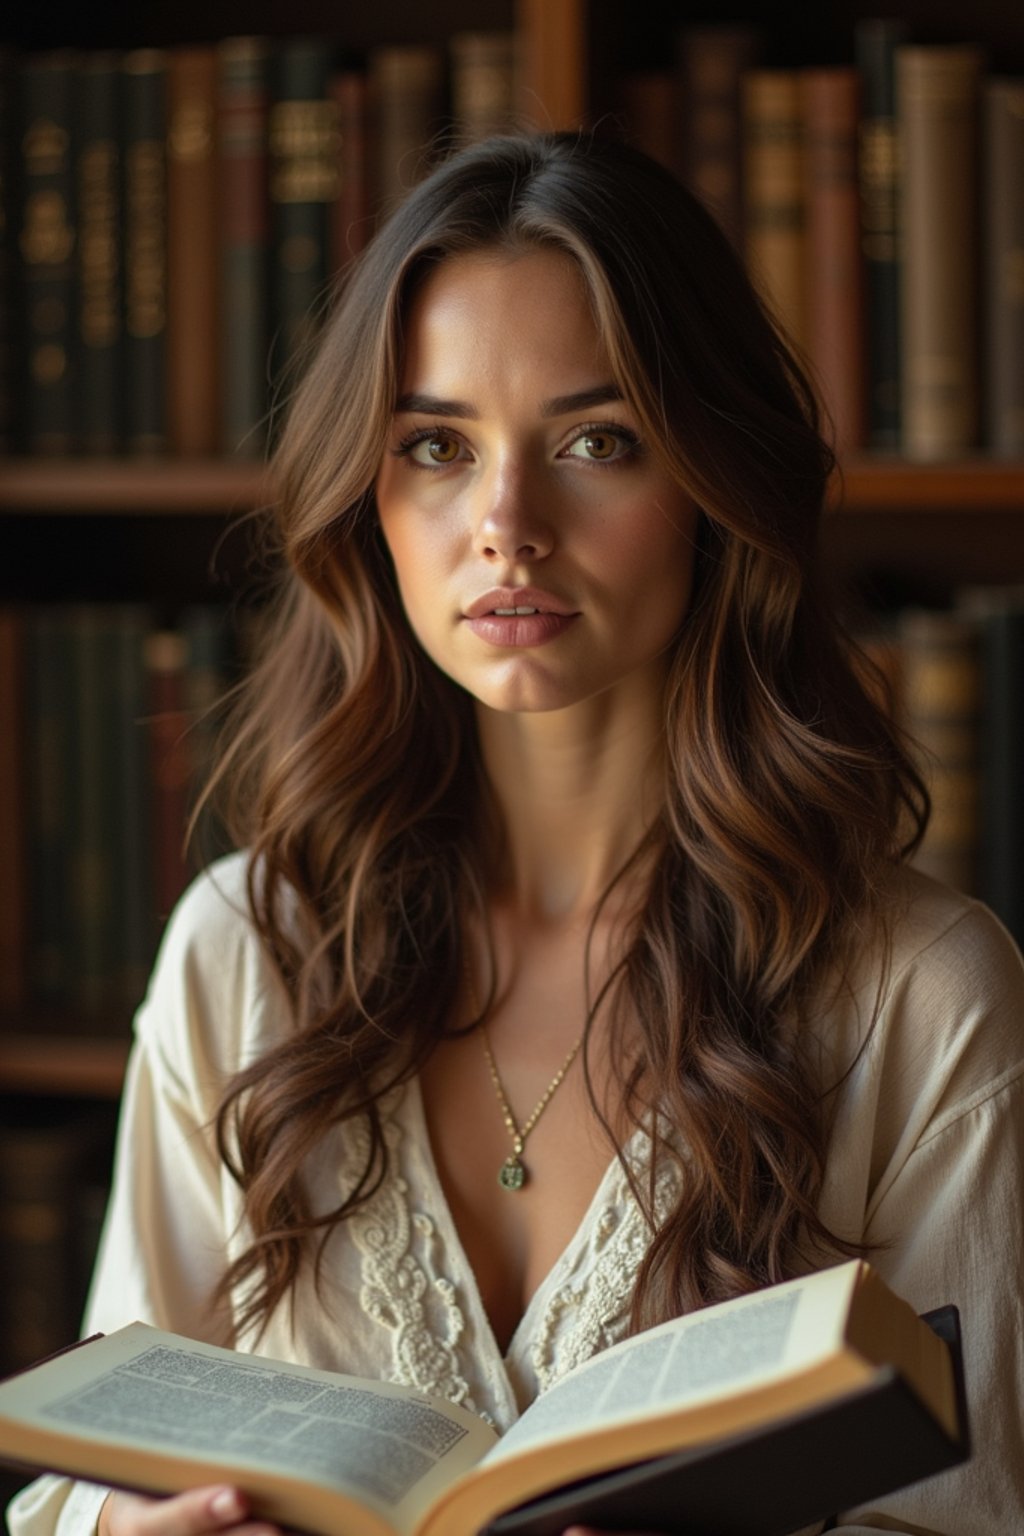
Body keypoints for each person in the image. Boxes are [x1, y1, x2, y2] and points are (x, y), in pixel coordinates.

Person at [9, 131, 1024, 1536]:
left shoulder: (918, 994)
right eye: (437, 446)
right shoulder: (244, 954)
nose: (506, 524)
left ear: (714, 494)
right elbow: (88, 1479)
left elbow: (967, 1515)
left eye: (595, 442)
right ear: (370, 500)